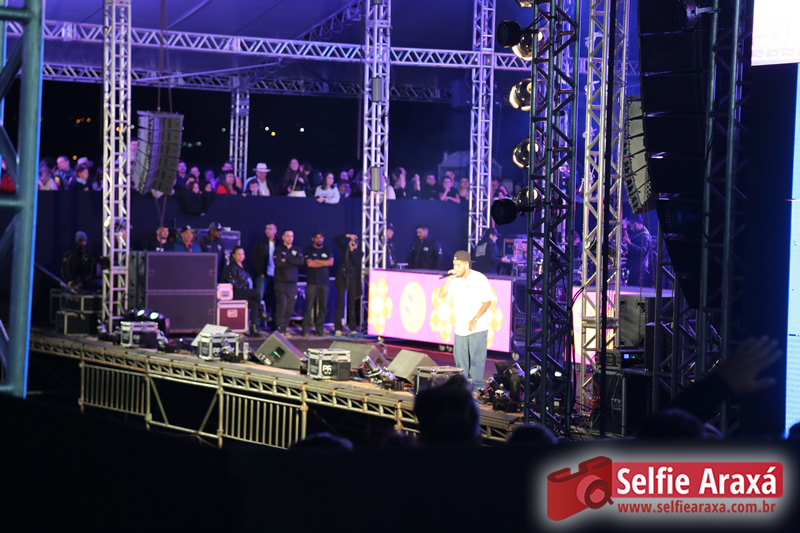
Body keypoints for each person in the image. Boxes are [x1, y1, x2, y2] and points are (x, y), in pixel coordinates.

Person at [438, 250, 494, 395]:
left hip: (477, 327)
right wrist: (448, 280)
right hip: (460, 327)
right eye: (454, 265)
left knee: (476, 361)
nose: (455, 268)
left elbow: (487, 302)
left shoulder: (479, 278)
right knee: (461, 363)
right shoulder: (454, 280)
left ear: (466, 264)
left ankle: (477, 390)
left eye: (458, 265)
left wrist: (475, 319)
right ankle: (463, 390)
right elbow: (441, 295)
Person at [220, 245, 262, 337]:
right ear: (234, 255)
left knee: (254, 304)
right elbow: (233, 283)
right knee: (257, 292)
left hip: (244, 292)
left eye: (242, 254)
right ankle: (261, 312)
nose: (241, 256)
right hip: (236, 292)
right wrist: (245, 289)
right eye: (239, 254)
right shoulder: (231, 267)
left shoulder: (243, 266)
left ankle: (253, 329)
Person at [302, 231, 334, 336]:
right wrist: (323, 262)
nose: (319, 239)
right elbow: (310, 264)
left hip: (324, 283)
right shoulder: (309, 250)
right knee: (309, 306)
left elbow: (330, 262)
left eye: (321, 237)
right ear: (313, 239)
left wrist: (316, 260)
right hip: (312, 282)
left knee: (323, 307)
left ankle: (319, 329)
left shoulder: (327, 250)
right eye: (317, 237)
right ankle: (306, 329)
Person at [274, 229, 304, 335]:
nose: (290, 238)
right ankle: (279, 329)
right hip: (281, 283)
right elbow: (278, 263)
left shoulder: (297, 249)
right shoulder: (278, 250)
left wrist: (286, 259)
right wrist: (292, 261)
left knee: (290, 308)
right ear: (283, 237)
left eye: (291, 236)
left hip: (293, 283)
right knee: (282, 306)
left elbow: (300, 261)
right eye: (287, 236)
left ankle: (284, 328)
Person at [334, 233, 362, 337]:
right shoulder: (344, 250)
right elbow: (336, 239)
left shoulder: (359, 253)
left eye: (355, 242)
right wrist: (347, 236)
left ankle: (353, 328)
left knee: (352, 304)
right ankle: (338, 328)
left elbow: (356, 262)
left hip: (353, 280)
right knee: (340, 303)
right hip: (342, 279)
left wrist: (352, 250)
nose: (354, 244)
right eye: (352, 242)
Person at [252, 223, 278, 330]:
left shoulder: (279, 244)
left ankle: (274, 324)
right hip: (263, 275)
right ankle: (256, 325)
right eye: (266, 228)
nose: (268, 230)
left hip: (276, 276)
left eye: (270, 229)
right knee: (259, 298)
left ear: (275, 231)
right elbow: (255, 259)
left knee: (275, 300)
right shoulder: (260, 243)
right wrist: (260, 273)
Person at [623, 214, 651, 287]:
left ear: (635, 224)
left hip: (639, 269)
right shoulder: (640, 234)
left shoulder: (645, 236)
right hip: (635, 268)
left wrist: (630, 244)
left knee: (632, 288)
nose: (631, 229)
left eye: (631, 226)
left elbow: (642, 251)